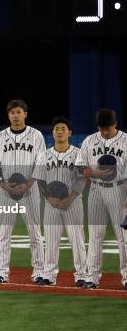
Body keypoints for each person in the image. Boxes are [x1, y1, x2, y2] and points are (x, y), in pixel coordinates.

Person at [0, 99, 45, 284]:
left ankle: (39, 272)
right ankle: (1, 273)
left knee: (34, 233)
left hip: (30, 191)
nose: (15, 115)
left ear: (25, 114)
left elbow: (41, 163)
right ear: (8, 115)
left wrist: (29, 184)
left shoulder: (36, 136)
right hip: (5, 192)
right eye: (12, 112)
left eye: (19, 112)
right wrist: (3, 184)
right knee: (4, 233)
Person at [75, 109, 127, 290]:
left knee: (123, 237)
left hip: (120, 190)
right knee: (96, 235)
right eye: (101, 128)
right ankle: (92, 277)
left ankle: (126, 277)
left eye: (108, 128)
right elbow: (80, 167)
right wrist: (93, 173)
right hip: (96, 190)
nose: (104, 132)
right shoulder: (90, 140)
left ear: (115, 124)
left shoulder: (125, 140)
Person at [32, 116, 87, 287]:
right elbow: (40, 180)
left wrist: (70, 198)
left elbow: (82, 179)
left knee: (77, 240)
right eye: (57, 129)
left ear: (69, 133)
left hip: (73, 203)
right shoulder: (44, 155)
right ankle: (49, 275)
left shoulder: (79, 154)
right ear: (53, 133)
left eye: (63, 128)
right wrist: (49, 198)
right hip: (51, 205)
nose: (60, 131)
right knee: (51, 240)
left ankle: (82, 275)